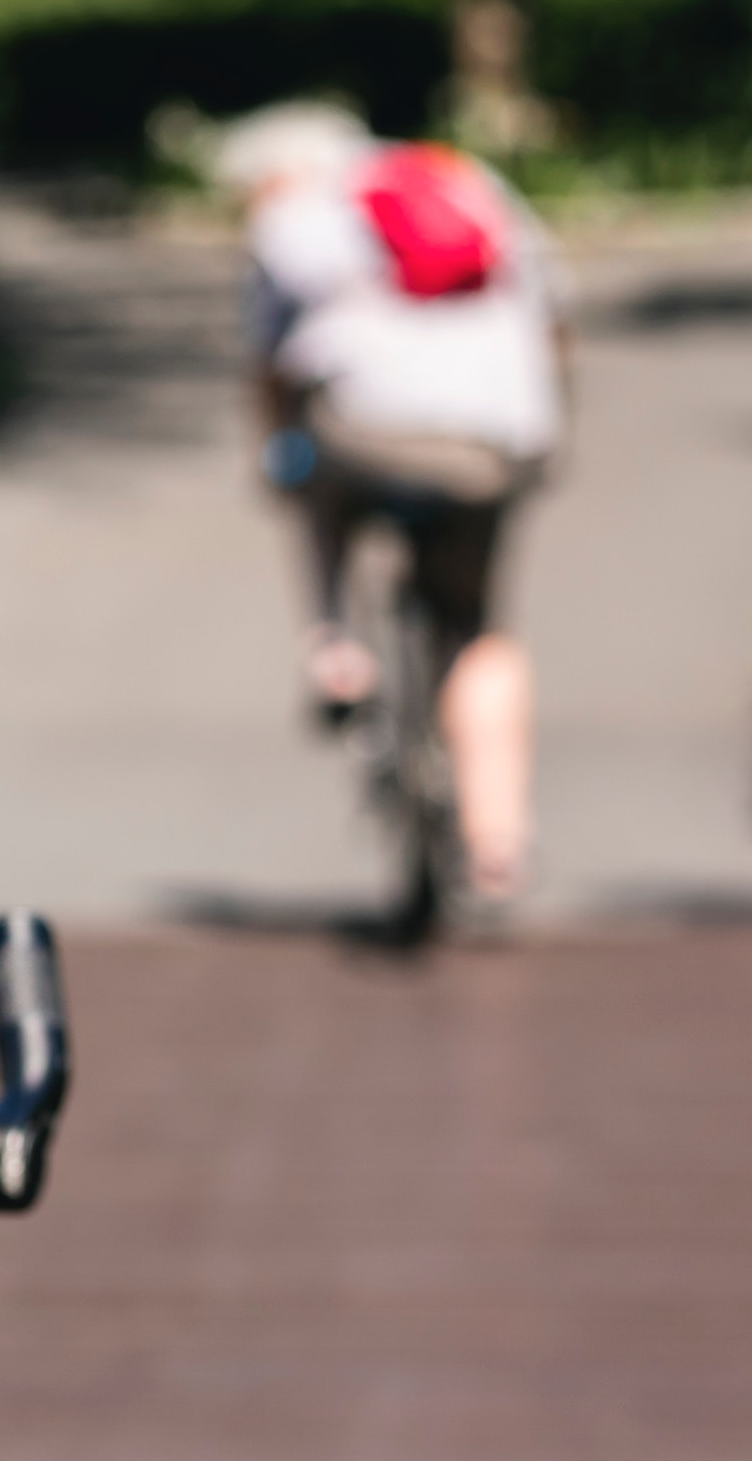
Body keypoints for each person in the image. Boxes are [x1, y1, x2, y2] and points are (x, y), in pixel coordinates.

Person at [216, 100, 569, 908]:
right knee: (476, 626)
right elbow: (553, 313)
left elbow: (268, 366)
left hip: (367, 433)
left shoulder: (291, 217)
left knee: (311, 477)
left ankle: (337, 647)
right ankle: (498, 838)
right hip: (495, 437)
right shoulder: (464, 179)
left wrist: (275, 453)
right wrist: (546, 434)